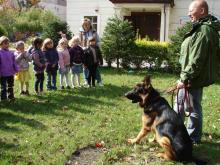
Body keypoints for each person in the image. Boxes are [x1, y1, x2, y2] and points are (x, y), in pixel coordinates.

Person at [174, 0, 220, 145]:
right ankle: (180, 133)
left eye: (191, 10)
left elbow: (197, 59)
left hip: (192, 77)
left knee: (188, 107)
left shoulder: (203, 31)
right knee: (184, 105)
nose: (188, 14)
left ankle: (191, 138)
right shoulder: (202, 28)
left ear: (201, 11)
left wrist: (184, 78)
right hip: (192, 76)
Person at [79, 17, 104, 86]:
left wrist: (97, 48)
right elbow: (79, 42)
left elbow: (98, 41)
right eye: (84, 25)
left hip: (93, 52)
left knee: (95, 68)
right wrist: (82, 48)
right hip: (85, 52)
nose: (86, 26)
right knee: (85, 67)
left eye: (87, 25)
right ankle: (86, 81)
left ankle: (99, 81)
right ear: (82, 25)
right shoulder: (81, 32)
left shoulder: (93, 31)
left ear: (90, 25)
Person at [0, 36, 18, 101]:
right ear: (1, 44)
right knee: (3, 87)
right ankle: (3, 98)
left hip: (10, 72)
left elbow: (14, 62)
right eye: (5, 43)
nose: (7, 45)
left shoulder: (11, 53)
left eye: (7, 43)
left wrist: (16, 69)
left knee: (10, 85)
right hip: (3, 74)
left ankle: (11, 96)